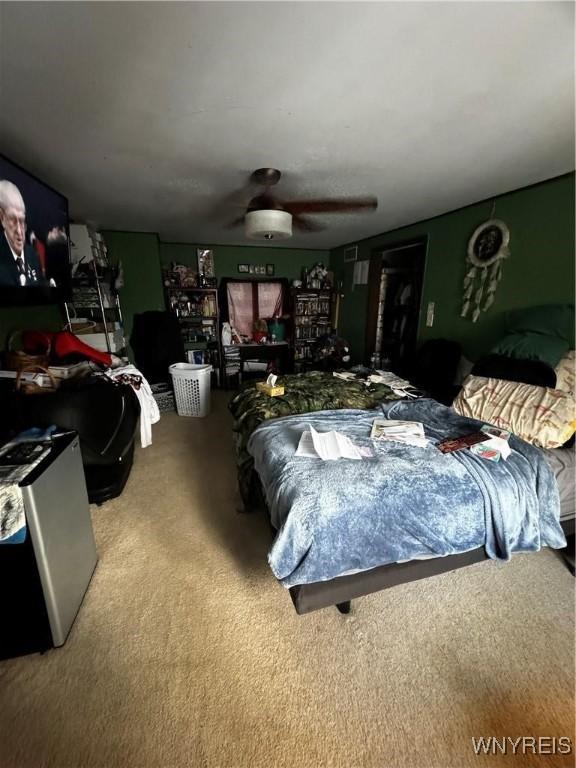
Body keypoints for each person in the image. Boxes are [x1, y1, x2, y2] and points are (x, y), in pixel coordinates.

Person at [0, 179, 48, 286]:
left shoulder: (33, 255)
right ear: (2, 217)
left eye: (21, 221)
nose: (19, 231)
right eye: (13, 220)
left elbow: (40, 284)